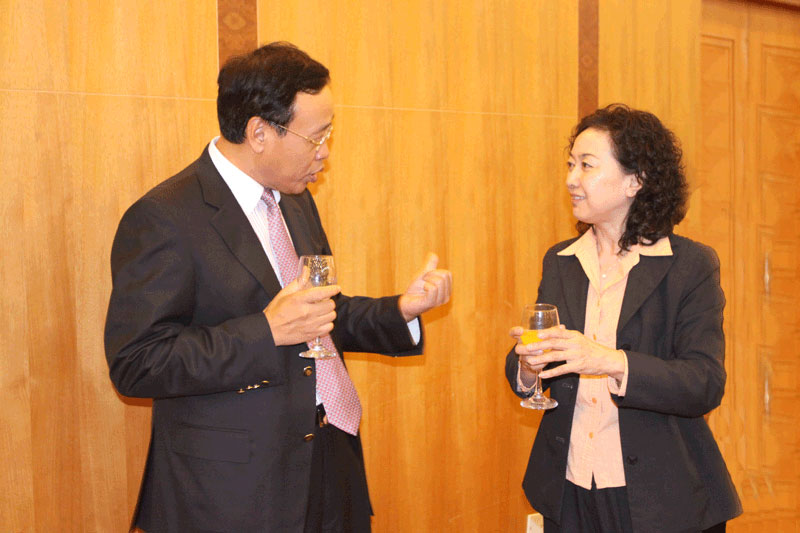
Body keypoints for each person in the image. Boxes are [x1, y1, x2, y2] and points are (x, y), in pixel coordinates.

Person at [105, 42, 452, 533]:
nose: (325, 151)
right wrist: (265, 331)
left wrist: (401, 310)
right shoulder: (166, 217)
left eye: (329, 133)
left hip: (331, 461)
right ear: (259, 133)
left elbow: (320, 314)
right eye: (316, 137)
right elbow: (137, 362)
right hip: (232, 493)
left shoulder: (295, 199)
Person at [505, 104, 742, 532]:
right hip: (569, 487)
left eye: (587, 165)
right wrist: (527, 364)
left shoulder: (689, 265)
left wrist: (609, 361)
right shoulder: (561, 260)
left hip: (660, 497)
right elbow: (533, 363)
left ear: (635, 180)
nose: (571, 179)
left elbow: (704, 382)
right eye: (570, 164)